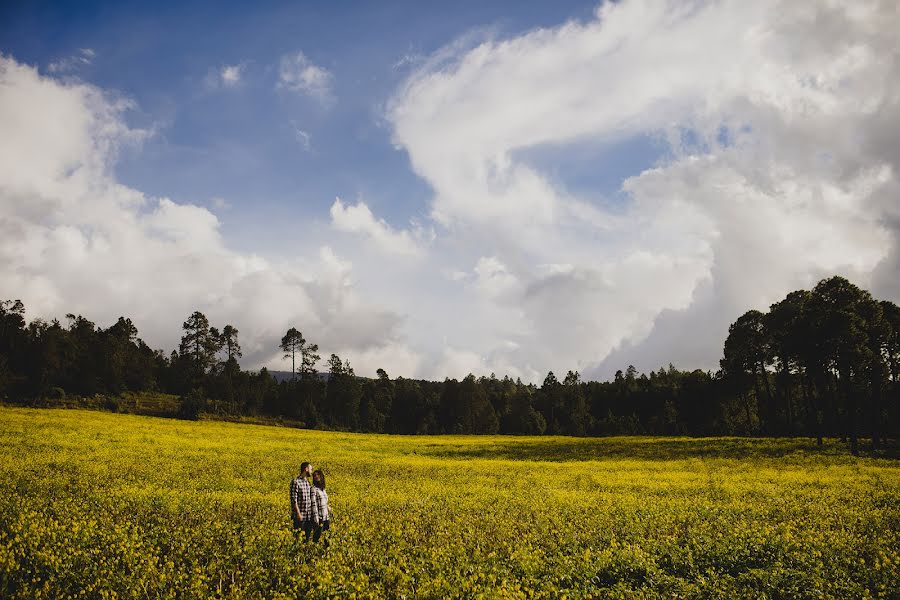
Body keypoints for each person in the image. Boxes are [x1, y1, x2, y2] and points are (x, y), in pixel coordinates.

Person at [290, 462, 319, 541]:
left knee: (307, 538)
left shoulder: (307, 482)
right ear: (306, 469)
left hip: (308, 517)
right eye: (310, 469)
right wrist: (298, 514)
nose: (311, 471)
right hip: (300, 516)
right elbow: (293, 499)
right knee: (298, 539)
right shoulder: (296, 482)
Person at [312, 469, 331, 547]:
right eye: (314, 476)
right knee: (317, 537)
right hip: (319, 517)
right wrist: (316, 518)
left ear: (321, 476)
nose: (316, 477)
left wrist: (328, 506)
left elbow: (324, 501)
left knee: (327, 537)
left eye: (318, 475)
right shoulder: (313, 489)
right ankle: (312, 552)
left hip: (326, 516)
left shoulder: (323, 489)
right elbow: (313, 504)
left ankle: (326, 553)